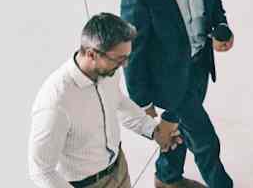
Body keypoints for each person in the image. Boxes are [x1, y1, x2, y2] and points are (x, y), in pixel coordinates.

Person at [121, 0, 235, 188]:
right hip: (169, 80)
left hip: (199, 66)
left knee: (178, 129)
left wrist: (222, 28)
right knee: (205, 141)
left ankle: (167, 177)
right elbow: (133, 53)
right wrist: (142, 101)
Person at [29, 13, 183, 188]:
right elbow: (41, 170)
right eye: (118, 59)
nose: (124, 65)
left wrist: (153, 130)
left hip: (118, 169)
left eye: (126, 58)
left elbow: (118, 102)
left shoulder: (108, 72)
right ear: (91, 54)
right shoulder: (55, 102)